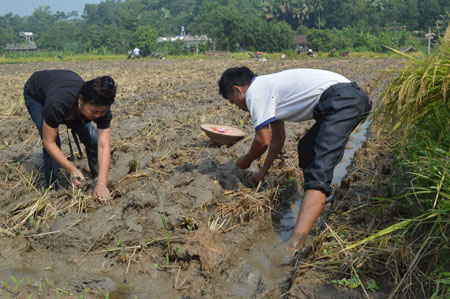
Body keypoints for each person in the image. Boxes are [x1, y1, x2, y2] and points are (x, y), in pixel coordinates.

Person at [218, 67, 371, 253]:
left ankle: (294, 243)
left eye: (234, 101)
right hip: (348, 97)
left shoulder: (255, 94)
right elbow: (277, 139)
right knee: (307, 148)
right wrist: (262, 172)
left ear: (238, 90)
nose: (238, 107)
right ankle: (319, 197)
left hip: (342, 100)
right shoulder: (268, 89)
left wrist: (246, 160)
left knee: (319, 169)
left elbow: (262, 141)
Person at [23, 70, 117, 200]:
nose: (97, 116)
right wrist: (71, 169)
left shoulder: (101, 106)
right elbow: (49, 143)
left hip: (64, 89)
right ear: (81, 100)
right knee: (55, 142)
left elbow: (103, 145)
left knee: (92, 139)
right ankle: (53, 189)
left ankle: (96, 177)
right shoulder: (57, 103)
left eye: (102, 112)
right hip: (36, 93)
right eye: (94, 112)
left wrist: (102, 182)